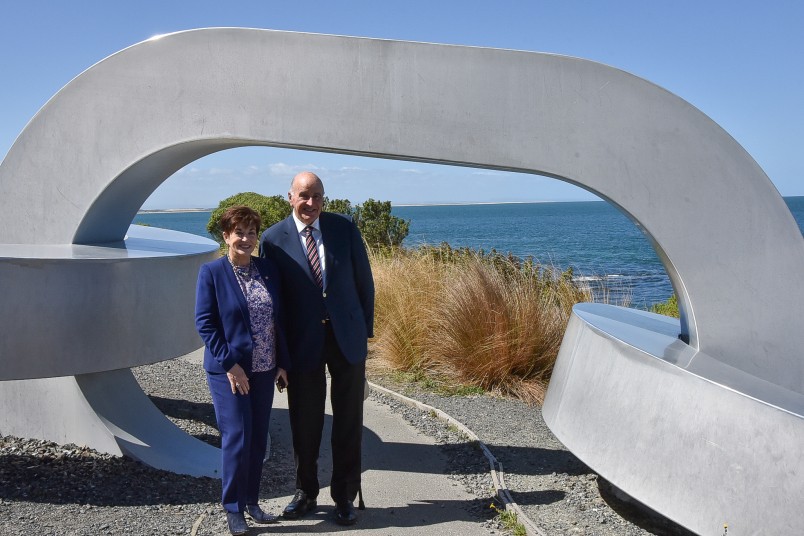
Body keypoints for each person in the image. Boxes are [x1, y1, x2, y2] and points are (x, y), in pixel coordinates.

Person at [260, 171, 375, 526]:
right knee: (304, 422)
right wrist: (278, 353)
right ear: (290, 197)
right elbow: (273, 300)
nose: (311, 203)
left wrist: (364, 334)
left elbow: (363, 283)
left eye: (318, 196)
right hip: (302, 343)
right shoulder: (272, 239)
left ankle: (344, 495)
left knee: (348, 421)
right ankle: (306, 492)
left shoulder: (345, 229)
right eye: (304, 196)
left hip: (347, 341)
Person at [195, 205, 290, 536]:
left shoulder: (266, 269)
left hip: (265, 369)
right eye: (240, 232)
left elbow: (279, 320)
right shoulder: (212, 273)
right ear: (226, 236)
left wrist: (282, 363)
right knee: (237, 437)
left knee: (257, 439)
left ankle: (251, 502)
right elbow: (205, 325)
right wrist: (230, 365)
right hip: (229, 372)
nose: (246, 239)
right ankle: (232, 507)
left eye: (252, 232)